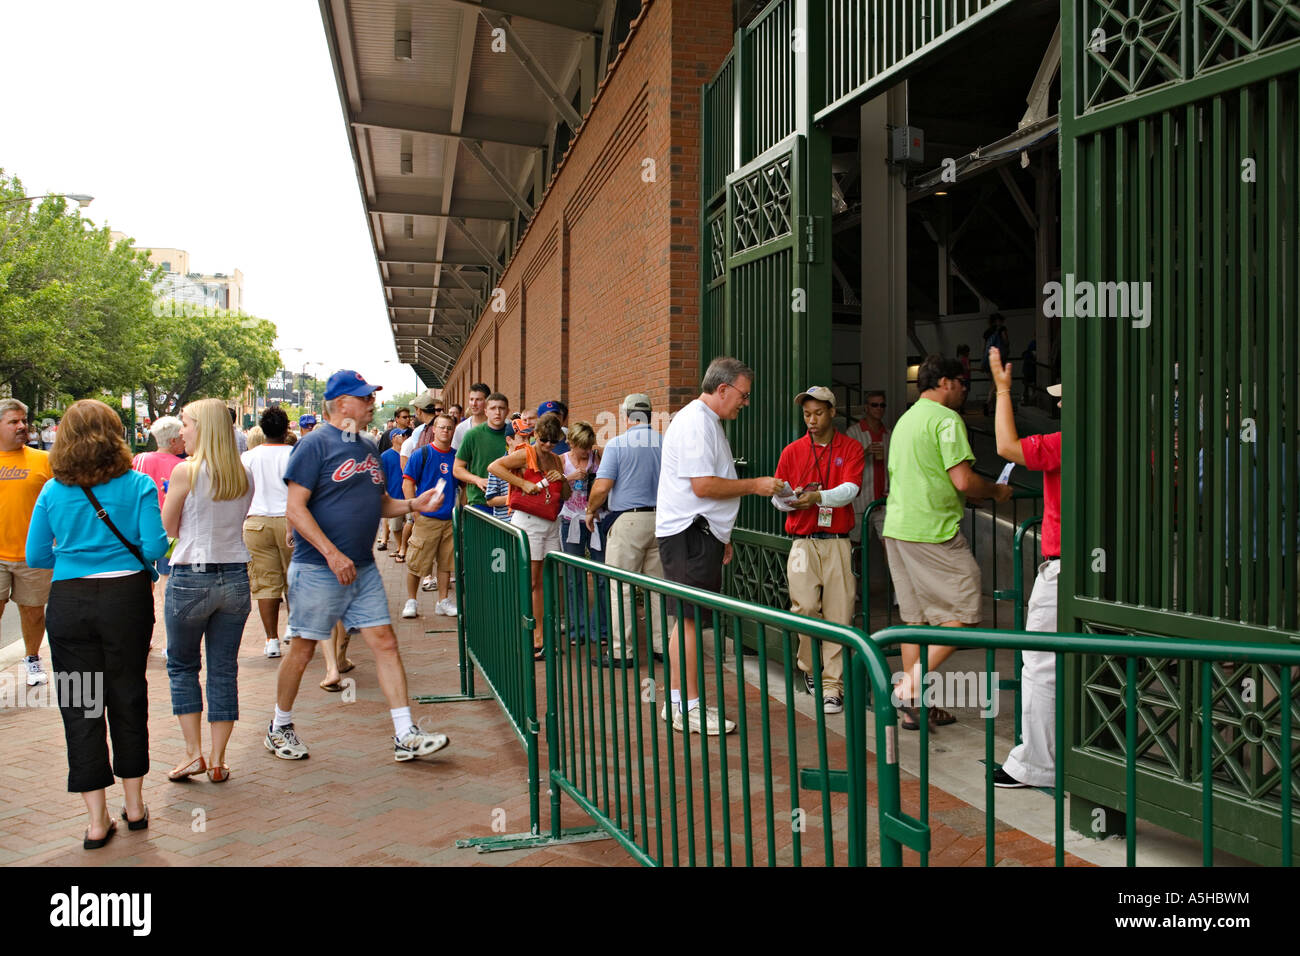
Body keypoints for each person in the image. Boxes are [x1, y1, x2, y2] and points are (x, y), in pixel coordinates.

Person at [266, 369, 449, 762]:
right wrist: (332, 553)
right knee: (301, 650)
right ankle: (279, 725)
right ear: (342, 403)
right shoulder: (314, 445)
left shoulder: (366, 446)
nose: (372, 404)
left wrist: (415, 504)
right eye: (365, 398)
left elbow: (379, 502)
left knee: (384, 641)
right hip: (318, 567)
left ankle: (405, 733)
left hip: (362, 568)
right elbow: (295, 510)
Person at [26, 399, 169, 848]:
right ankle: (136, 805)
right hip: (125, 599)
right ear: (116, 436)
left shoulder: (52, 491)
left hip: (69, 600)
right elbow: (153, 548)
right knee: (128, 693)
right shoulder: (139, 485)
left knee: (80, 702)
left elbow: (36, 556)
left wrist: (73, 553)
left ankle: (95, 819)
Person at [883, 353, 1012, 729]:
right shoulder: (946, 419)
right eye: (962, 383)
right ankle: (908, 689)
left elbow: (931, 477)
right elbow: (963, 481)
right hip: (933, 531)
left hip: (898, 526)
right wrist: (996, 492)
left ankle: (915, 706)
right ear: (945, 382)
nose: (964, 390)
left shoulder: (906, 421)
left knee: (914, 620)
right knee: (966, 610)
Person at [656, 357, 783, 734]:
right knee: (692, 621)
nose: (745, 403)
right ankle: (689, 707)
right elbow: (704, 486)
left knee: (688, 621)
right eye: (743, 395)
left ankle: (679, 701)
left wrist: (720, 535)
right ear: (723, 389)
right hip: (690, 534)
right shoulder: (697, 422)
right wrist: (755, 485)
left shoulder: (701, 420)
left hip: (696, 533)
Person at [162, 398, 255, 783]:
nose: (180, 431)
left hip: (191, 576)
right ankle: (218, 759)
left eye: (185, 423)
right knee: (222, 669)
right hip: (234, 574)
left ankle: (192, 753)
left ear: (202, 427)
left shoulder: (187, 471)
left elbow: (169, 525)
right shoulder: (243, 475)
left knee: (183, 665)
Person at [989, 347, 1061, 788]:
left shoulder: (1066, 440)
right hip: (1107, 575)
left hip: (1062, 568)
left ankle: (1037, 763)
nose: (1057, 405)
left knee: (1040, 665)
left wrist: (1001, 390)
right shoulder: (1124, 443)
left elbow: (1005, 447)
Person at [770, 387, 865, 714]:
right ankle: (810, 667)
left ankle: (832, 686)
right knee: (806, 608)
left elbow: (850, 490)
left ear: (832, 412)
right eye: (807, 414)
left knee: (840, 614)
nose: (811, 420)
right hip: (803, 541)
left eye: (818, 413)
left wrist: (817, 498)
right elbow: (776, 498)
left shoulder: (850, 448)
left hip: (838, 539)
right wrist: (789, 498)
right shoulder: (792, 451)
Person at [587, 394, 664, 668]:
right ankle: (662, 646)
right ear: (650, 415)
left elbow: (602, 486)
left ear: (626, 416)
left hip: (628, 522)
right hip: (662, 521)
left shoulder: (617, 444)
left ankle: (622, 652)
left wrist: (589, 510)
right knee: (659, 589)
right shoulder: (665, 443)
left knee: (622, 588)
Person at [488, 412, 569, 658]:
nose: (547, 445)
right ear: (536, 435)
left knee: (547, 580)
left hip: (550, 523)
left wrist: (561, 478)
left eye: (552, 442)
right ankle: (531, 635)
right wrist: (522, 484)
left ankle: (541, 635)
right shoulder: (526, 453)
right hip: (529, 522)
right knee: (531, 580)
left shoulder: (556, 460)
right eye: (544, 440)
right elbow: (495, 467)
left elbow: (565, 494)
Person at [1, 398, 54, 686]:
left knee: (33, 611)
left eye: (23, 421)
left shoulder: (43, 460)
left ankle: (32, 659)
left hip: (33, 554)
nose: (22, 427)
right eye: (13, 421)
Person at [241, 406, 297, 659]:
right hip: (291, 521)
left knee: (266, 584)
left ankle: (271, 639)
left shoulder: (248, 457)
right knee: (294, 579)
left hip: (256, 523)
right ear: (287, 430)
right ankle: (293, 628)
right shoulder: (296, 454)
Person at [402, 413, 459, 618]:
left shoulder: (456, 456)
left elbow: (461, 486)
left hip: (448, 519)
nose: (445, 431)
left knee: (446, 563)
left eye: (449, 428)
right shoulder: (421, 454)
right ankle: (411, 601)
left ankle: (442, 601)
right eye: (441, 427)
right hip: (426, 518)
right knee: (417, 562)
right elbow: (407, 483)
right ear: (433, 429)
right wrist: (415, 511)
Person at [558, 420, 609, 644]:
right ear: (571, 443)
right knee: (574, 577)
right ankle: (577, 630)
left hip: (596, 520)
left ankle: (601, 629)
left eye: (589, 446)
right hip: (571, 520)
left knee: (601, 575)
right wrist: (569, 478)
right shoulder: (561, 461)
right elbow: (554, 489)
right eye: (582, 447)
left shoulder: (596, 458)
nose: (586, 451)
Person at [131, 415, 186, 606]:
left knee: (142, 572)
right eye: (181, 437)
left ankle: (143, 606)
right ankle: (166, 611)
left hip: (138, 525)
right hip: (169, 528)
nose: (184, 441)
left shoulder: (141, 459)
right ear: (173, 441)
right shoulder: (183, 466)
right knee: (166, 574)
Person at [845, 390, 890, 545]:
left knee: (890, 547)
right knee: (856, 547)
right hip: (861, 500)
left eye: (882, 405)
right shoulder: (854, 432)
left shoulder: (888, 434)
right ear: (866, 408)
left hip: (884, 500)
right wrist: (864, 452)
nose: (879, 408)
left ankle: (890, 571)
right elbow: (844, 462)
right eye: (874, 405)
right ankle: (854, 571)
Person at [454, 392, 509, 512]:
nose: (497, 412)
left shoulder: (514, 435)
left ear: (508, 411)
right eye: (493, 408)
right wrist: (477, 480)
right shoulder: (473, 435)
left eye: (501, 408)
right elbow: (457, 469)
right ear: (486, 411)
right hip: (479, 502)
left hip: (509, 502)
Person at [485, 410, 532, 519]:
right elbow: (490, 500)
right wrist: (516, 497)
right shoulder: (498, 465)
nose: (528, 443)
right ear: (509, 440)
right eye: (523, 438)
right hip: (507, 525)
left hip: (528, 524)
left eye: (529, 438)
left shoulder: (532, 462)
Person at [377, 428, 409, 554]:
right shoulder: (385, 456)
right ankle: (400, 546)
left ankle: (404, 548)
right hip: (394, 495)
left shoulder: (408, 453)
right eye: (401, 435)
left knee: (410, 523)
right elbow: (381, 477)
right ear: (393, 438)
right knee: (395, 527)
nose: (404, 437)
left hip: (409, 495)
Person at [452, 383, 491, 450]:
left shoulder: (503, 425)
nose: (474, 404)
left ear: (487, 401)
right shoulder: (461, 428)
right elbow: (454, 454)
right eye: (471, 399)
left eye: (478, 399)